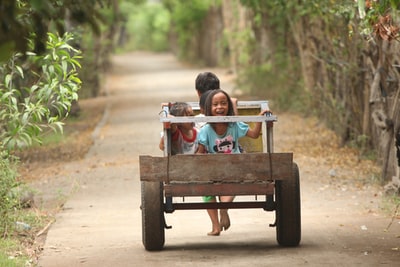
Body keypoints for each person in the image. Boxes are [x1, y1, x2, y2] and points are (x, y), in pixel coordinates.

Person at [197, 89, 269, 236]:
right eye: (215, 104)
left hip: (235, 165)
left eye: (223, 103)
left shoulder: (234, 125)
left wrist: (259, 119)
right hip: (214, 167)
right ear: (209, 109)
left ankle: (223, 209)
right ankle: (215, 226)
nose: (219, 107)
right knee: (207, 190)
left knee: (235, 181)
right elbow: (200, 151)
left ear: (229, 107)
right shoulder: (205, 130)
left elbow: (254, 135)